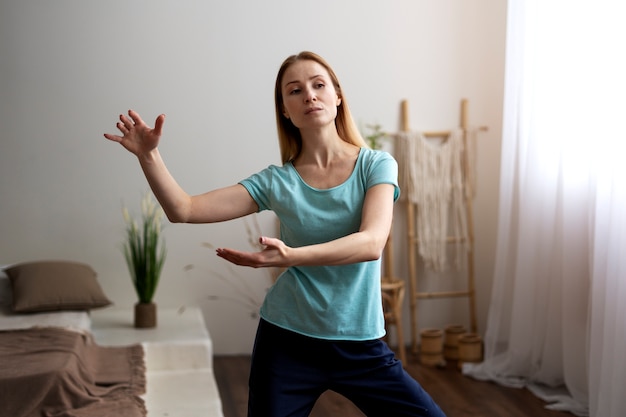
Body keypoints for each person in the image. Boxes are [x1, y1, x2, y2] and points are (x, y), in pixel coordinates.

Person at [104, 51, 446, 417]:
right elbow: (183, 209)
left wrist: (292, 256)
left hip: (359, 343)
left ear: (337, 95)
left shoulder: (376, 165)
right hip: (287, 342)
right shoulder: (276, 181)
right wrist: (148, 157)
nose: (309, 96)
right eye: (295, 91)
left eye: (318, 85)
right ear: (285, 109)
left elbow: (371, 243)